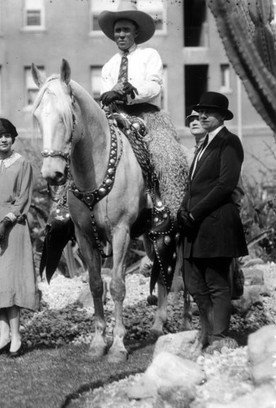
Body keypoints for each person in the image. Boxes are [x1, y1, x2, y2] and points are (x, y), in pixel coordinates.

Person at [98, 0, 188, 217]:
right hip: (117, 117)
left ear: (135, 32)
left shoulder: (149, 55)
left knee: (168, 157)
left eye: (126, 30)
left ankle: (170, 209)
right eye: (117, 30)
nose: (121, 35)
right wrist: (109, 96)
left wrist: (132, 90)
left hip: (146, 116)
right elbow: (104, 95)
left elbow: (155, 85)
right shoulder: (109, 65)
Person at [177, 91, 248, 351]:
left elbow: (224, 185)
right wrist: (183, 211)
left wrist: (194, 213)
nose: (203, 115)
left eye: (209, 112)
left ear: (222, 116)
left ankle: (219, 336)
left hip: (216, 222)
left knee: (217, 283)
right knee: (194, 282)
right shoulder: (204, 144)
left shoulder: (230, 142)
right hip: (195, 225)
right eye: (200, 111)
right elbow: (194, 185)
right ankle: (207, 331)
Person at [0, 118, 39, 357]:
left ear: (13, 138)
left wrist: (5, 221)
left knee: (11, 279)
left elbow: (23, 197)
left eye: (7, 135)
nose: (3, 139)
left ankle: (16, 335)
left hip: (13, 227)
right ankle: (3, 334)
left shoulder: (22, 164)